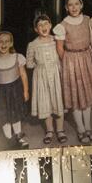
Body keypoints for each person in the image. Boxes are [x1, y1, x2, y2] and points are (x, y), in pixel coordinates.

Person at [53, 0, 92, 144]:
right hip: (71, 61)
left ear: (81, 5)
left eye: (76, 4)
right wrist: (68, 63)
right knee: (77, 97)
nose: (74, 7)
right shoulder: (62, 25)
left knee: (87, 97)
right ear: (66, 7)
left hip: (86, 59)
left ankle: (88, 128)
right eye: (70, 5)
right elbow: (60, 48)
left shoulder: (87, 20)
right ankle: (80, 130)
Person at [0, 31, 29, 148]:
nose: (3, 44)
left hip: (15, 91)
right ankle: (9, 139)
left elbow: (23, 75)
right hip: (0, 93)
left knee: (15, 114)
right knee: (4, 117)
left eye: (6, 41)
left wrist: (26, 91)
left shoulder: (17, 57)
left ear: (11, 43)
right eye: (1, 42)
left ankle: (18, 136)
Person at [25, 13, 67, 145]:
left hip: (56, 74)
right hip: (41, 77)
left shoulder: (56, 40)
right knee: (46, 102)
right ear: (36, 29)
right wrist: (40, 66)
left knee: (58, 100)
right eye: (40, 25)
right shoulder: (33, 44)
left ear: (50, 25)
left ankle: (60, 130)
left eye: (46, 24)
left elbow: (63, 55)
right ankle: (50, 130)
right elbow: (29, 63)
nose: (43, 27)